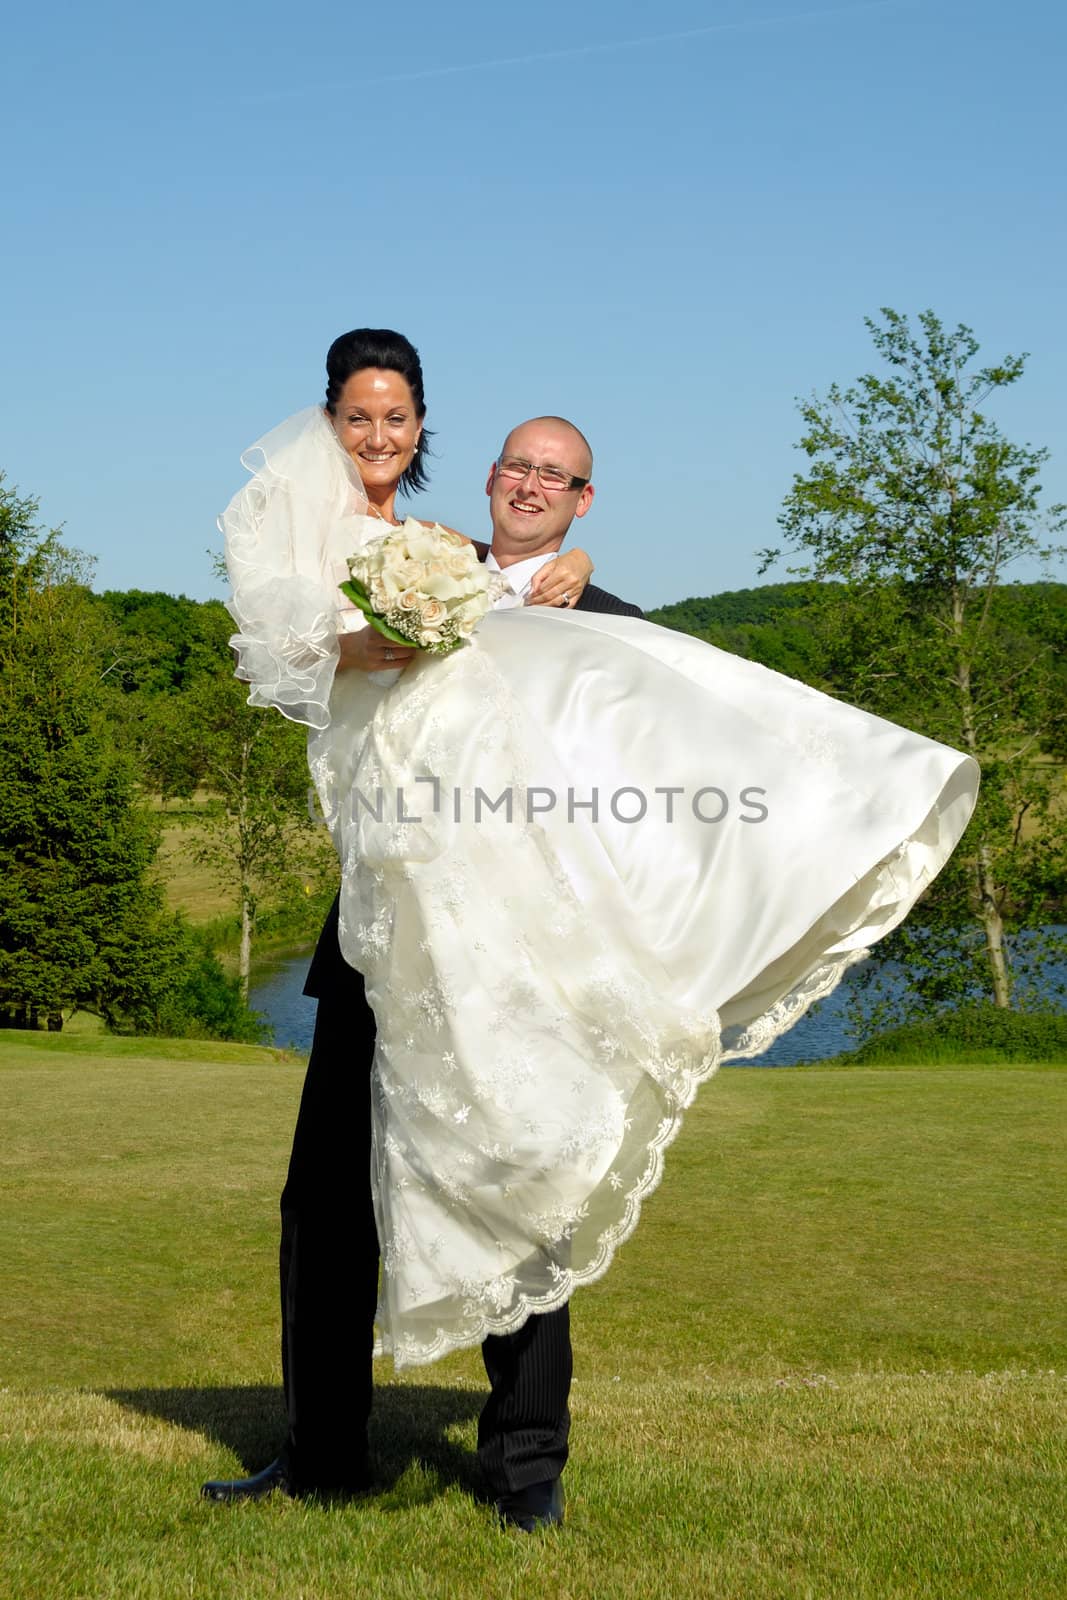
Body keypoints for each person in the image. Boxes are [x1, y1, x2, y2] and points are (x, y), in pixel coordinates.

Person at [205, 329, 979, 1531]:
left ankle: (523, 1472)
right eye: (513, 465)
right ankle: (318, 1453)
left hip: (526, 968)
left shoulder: (612, 621)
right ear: (484, 478)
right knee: (324, 1198)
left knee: (526, 1183)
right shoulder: (413, 566)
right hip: (379, 950)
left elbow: (671, 775)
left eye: (551, 476)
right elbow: (325, 658)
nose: (526, 484)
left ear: (579, 501)